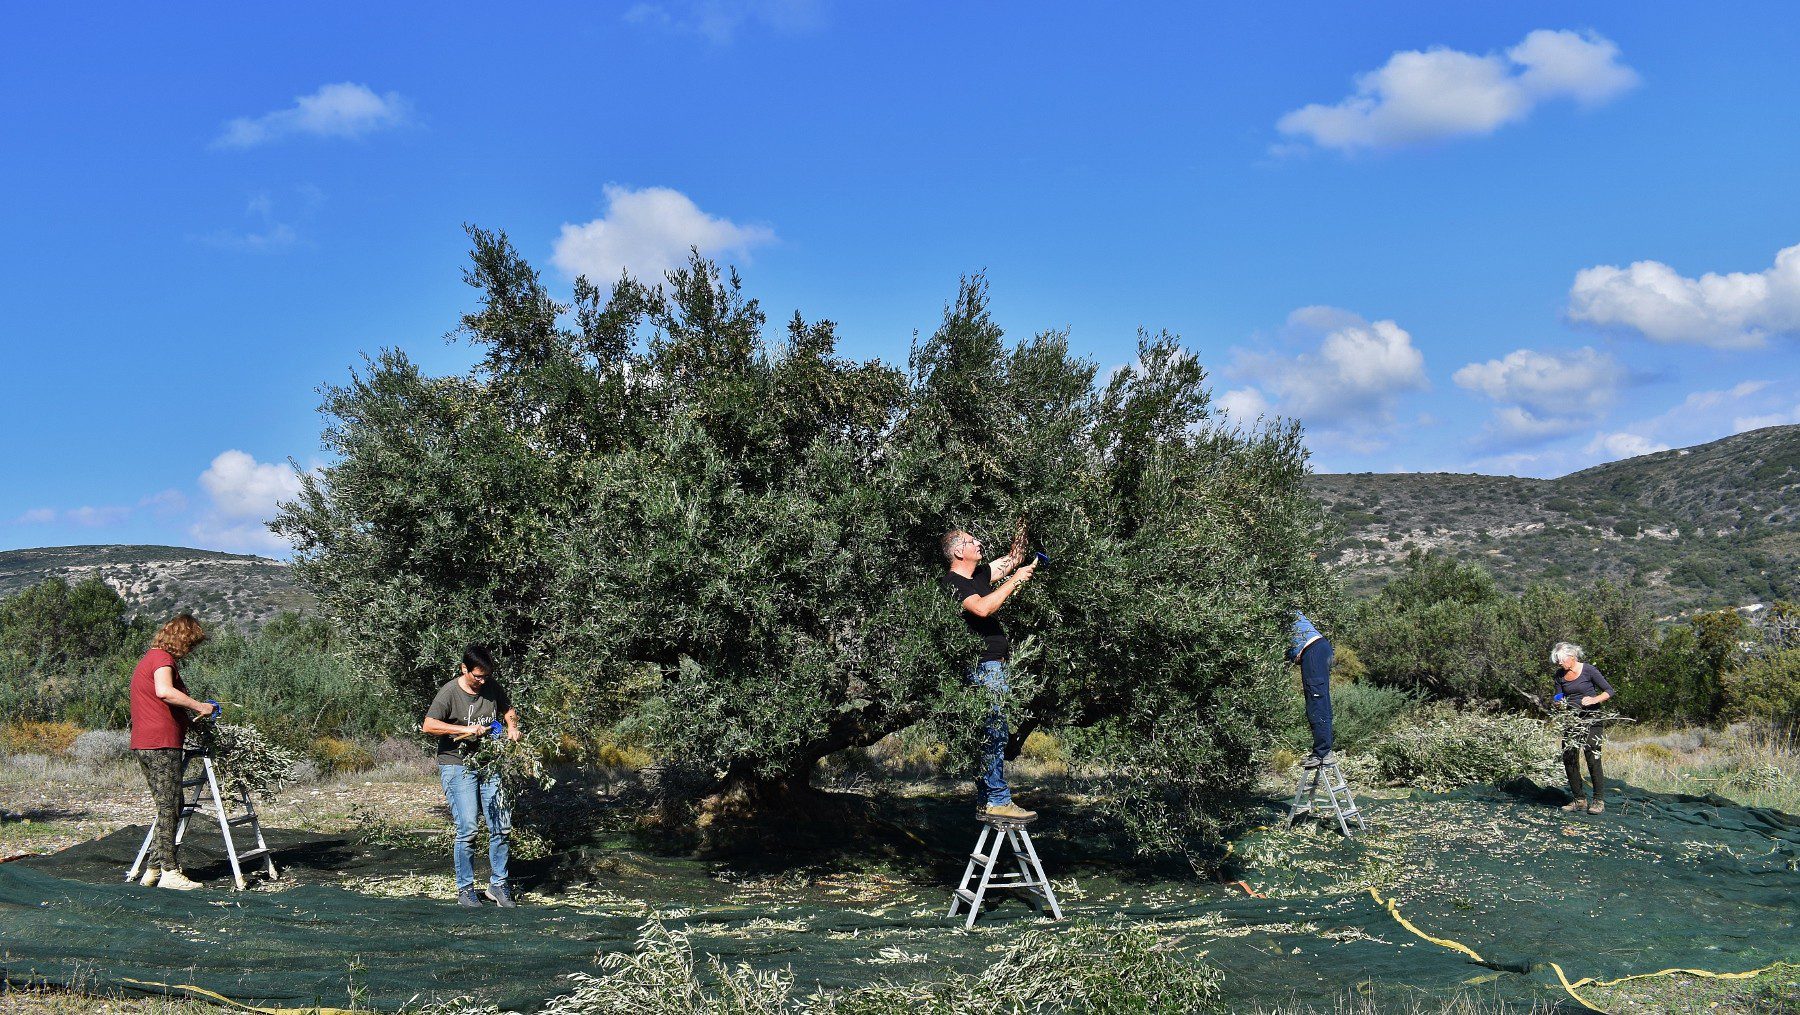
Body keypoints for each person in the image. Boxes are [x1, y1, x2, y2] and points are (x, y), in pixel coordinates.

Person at [940, 523, 1038, 821]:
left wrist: (1024, 520)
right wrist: (1015, 581)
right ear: (959, 551)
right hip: (983, 668)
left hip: (993, 667)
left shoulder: (980, 575)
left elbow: (1013, 558)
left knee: (991, 731)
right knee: (994, 731)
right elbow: (983, 609)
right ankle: (997, 798)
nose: (979, 543)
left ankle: (988, 798)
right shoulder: (954, 584)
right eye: (973, 541)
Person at [421, 645, 522, 907]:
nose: (482, 681)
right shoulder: (449, 692)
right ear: (464, 669)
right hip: (457, 765)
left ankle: (498, 886)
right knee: (468, 829)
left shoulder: (491, 686)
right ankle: (465, 889)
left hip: (490, 763)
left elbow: (508, 709)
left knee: (501, 825)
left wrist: (512, 727)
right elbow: (429, 725)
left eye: (486, 676)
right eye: (477, 676)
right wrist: (465, 728)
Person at [129, 613, 217, 890]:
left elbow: (160, 703)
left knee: (172, 803)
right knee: (169, 805)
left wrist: (186, 720)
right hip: (160, 743)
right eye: (190, 645)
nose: (190, 651)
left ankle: (154, 868)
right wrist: (198, 705)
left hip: (148, 741)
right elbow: (164, 692)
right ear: (181, 639)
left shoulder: (150, 658)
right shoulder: (162, 660)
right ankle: (169, 872)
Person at [1550, 642, 1614, 815]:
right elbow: (1559, 694)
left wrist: (1594, 700)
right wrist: (1557, 701)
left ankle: (1598, 801)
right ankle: (1579, 799)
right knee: (1569, 756)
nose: (1559, 664)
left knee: (1592, 756)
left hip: (1592, 719)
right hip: (1572, 720)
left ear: (1572, 657)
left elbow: (1609, 691)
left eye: (1561, 660)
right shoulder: (1559, 675)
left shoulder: (1589, 671)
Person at [1287, 613, 1334, 768]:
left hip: (1313, 651)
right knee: (1320, 700)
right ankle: (1324, 751)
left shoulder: (1276, 606)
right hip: (1320, 649)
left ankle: (1322, 753)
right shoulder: (1286, 605)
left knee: (1316, 702)